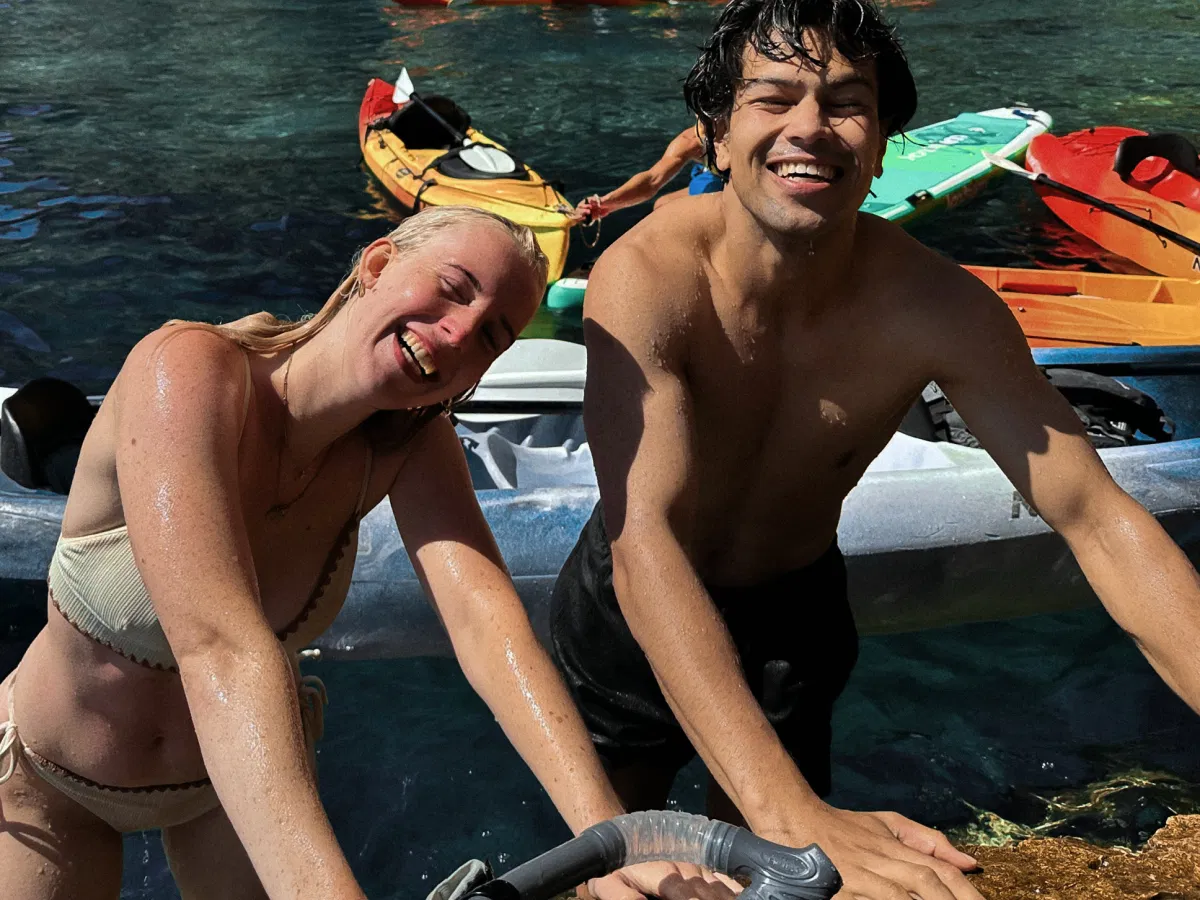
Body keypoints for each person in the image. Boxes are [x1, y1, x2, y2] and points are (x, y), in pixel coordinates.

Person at [549, 1, 1200, 899]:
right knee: (624, 860)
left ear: (885, 144)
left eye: (847, 103)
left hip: (794, 616)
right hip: (636, 604)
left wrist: (782, 817)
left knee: (783, 878)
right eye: (773, 98)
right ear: (717, 137)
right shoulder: (651, 275)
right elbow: (643, 539)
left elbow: (1096, 517)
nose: (810, 126)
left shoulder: (938, 307)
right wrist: (788, 808)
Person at [0, 206, 739, 900]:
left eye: (491, 336)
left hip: (222, 795)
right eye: (453, 289)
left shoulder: (409, 447)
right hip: (51, 784)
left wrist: (613, 841)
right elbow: (220, 648)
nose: (458, 333)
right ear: (377, 265)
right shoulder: (186, 369)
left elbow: (489, 629)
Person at [574, 124, 720, 222]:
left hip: (728, 183)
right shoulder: (691, 140)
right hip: (717, 176)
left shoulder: (729, 136)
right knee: (662, 206)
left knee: (706, 208)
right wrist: (607, 202)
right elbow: (652, 180)